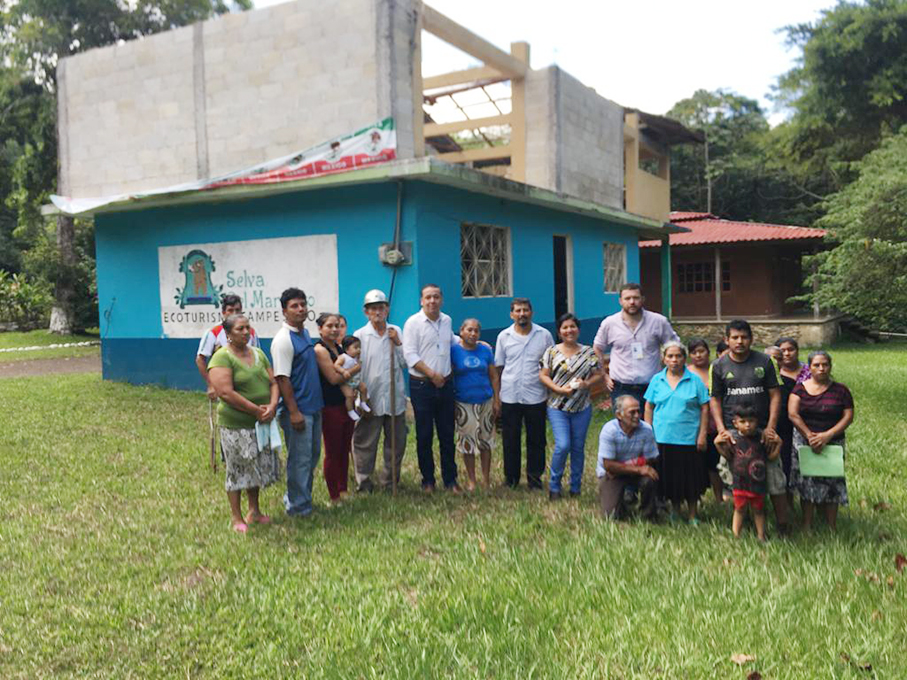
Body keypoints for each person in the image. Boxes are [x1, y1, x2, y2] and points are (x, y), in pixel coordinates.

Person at [710, 319, 791, 535]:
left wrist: (771, 427)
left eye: (744, 337)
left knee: (774, 477)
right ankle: (743, 522)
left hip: (762, 430)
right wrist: (721, 429)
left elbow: (776, 395)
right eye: (735, 337)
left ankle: (783, 524)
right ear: (726, 340)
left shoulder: (766, 362)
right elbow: (715, 399)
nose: (740, 341)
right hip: (734, 432)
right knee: (738, 478)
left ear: (751, 339)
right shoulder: (718, 366)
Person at [206, 313, 280, 533]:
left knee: (255, 465)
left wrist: (272, 405)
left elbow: (273, 382)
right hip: (236, 425)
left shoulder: (258, 353)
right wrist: (256, 410)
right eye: (240, 329)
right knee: (237, 468)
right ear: (228, 334)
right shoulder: (221, 357)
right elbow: (225, 393)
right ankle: (237, 517)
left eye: (248, 327)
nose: (246, 332)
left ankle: (254, 510)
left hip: (260, 422)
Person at [271, 288, 325, 517]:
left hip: (314, 407)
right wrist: (293, 412)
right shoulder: (283, 340)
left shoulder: (304, 333)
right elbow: (282, 378)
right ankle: (298, 506)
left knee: (311, 456)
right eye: (294, 306)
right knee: (300, 460)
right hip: (298, 410)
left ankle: (300, 497)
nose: (300, 309)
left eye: (303, 304)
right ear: (284, 311)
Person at [788, 350, 854, 532]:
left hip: (833, 442)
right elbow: (793, 414)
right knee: (807, 482)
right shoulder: (799, 389)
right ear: (809, 367)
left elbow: (848, 416)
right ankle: (807, 524)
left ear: (830, 367)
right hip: (804, 442)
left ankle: (831, 526)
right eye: (816, 365)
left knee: (832, 481)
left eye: (825, 364)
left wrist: (828, 435)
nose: (821, 368)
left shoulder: (841, 390)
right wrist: (810, 435)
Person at [643, 341, 709, 523]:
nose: (674, 360)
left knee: (691, 479)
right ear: (664, 359)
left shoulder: (695, 380)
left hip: (689, 438)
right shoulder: (657, 380)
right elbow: (649, 407)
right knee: (670, 477)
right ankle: (675, 511)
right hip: (663, 438)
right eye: (670, 356)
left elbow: (705, 408)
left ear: (684, 358)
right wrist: (649, 432)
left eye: (678, 356)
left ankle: (693, 514)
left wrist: (702, 434)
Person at [403, 284, 460, 492]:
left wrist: (476, 343)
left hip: (445, 385)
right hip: (422, 386)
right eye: (428, 297)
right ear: (421, 301)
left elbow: (452, 340)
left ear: (441, 299)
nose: (432, 301)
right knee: (425, 434)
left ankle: (450, 479)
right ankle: (428, 480)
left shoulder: (446, 320)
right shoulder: (413, 323)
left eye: (436, 297)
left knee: (447, 434)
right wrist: (431, 374)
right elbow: (410, 355)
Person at [539, 313, 601, 500]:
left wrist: (586, 384)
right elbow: (543, 375)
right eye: (565, 327)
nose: (569, 330)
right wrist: (558, 389)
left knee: (578, 448)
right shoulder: (551, 352)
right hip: (557, 406)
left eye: (572, 327)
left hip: (582, 407)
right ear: (559, 332)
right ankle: (554, 486)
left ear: (578, 330)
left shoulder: (588, 352)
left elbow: (599, 374)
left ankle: (575, 486)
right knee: (563, 445)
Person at [495, 297, 554, 489]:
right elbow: (499, 368)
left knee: (536, 440)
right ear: (511, 314)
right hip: (510, 395)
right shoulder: (504, 336)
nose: (522, 314)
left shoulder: (544, 335)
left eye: (525, 310)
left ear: (531, 313)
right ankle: (511, 479)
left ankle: (534, 479)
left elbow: (550, 366)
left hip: (536, 395)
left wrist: (550, 393)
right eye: (518, 310)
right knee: (510, 439)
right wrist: (497, 397)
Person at [352, 289, 407, 493]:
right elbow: (354, 368)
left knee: (396, 443)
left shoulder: (396, 331)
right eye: (373, 308)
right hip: (371, 398)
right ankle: (364, 482)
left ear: (387, 309)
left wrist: (398, 343)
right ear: (366, 312)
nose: (377, 312)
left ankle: (390, 481)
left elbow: (405, 363)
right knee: (365, 443)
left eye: (381, 308)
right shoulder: (360, 335)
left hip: (394, 397)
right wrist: (360, 397)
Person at [593, 283, 679, 411]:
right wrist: (603, 375)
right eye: (627, 298)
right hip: (621, 388)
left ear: (643, 299)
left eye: (636, 298)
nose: (632, 302)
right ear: (620, 301)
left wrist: (670, 371)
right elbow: (598, 348)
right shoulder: (609, 323)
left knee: (652, 422)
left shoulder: (658, 321)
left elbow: (674, 346)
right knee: (625, 423)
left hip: (653, 386)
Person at [715, 405, 781, 540]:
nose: (747, 425)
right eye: (743, 421)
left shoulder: (761, 438)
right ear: (735, 423)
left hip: (758, 483)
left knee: (758, 510)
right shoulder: (733, 439)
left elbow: (771, 457)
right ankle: (735, 536)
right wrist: (717, 444)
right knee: (739, 509)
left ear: (757, 421)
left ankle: (761, 536)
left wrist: (779, 444)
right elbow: (727, 456)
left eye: (751, 421)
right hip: (739, 483)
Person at [450, 318, 500, 490]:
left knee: (486, 442)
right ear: (461, 332)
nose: (472, 333)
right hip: (464, 402)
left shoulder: (485, 350)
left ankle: (486, 479)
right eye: (469, 330)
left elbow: (494, 376)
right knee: (467, 443)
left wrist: (496, 399)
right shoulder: (454, 351)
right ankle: (472, 480)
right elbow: (450, 376)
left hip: (485, 401)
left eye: (476, 331)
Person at [312, 313, 356, 505]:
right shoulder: (320, 350)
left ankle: (343, 488)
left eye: (337, 326)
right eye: (329, 326)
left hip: (345, 404)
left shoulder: (339, 348)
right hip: (330, 406)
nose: (334, 329)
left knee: (344, 448)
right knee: (333, 450)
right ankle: (334, 494)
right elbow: (333, 378)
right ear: (320, 329)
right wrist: (356, 370)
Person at [596, 395, 660, 520]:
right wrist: (639, 468)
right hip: (612, 474)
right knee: (611, 516)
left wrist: (631, 466)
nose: (637, 415)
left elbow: (652, 458)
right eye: (632, 412)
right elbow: (608, 465)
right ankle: (621, 505)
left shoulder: (646, 429)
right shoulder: (609, 431)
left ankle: (648, 514)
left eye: (638, 411)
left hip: (627, 471)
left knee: (650, 479)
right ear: (619, 415)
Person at [195, 293, 260, 400]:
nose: (234, 314)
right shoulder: (214, 332)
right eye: (230, 310)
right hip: (223, 384)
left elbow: (258, 359)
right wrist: (211, 384)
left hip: (246, 385)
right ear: (223, 313)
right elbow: (200, 359)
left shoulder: (250, 332)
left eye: (237, 310)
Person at [685, 337, 725, 502]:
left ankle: (719, 497)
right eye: (694, 352)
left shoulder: (716, 370)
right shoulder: (686, 373)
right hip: (693, 424)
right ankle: (696, 498)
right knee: (695, 464)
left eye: (701, 351)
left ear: (708, 352)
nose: (698, 355)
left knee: (714, 463)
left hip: (715, 424)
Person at [775, 336, 810, 490]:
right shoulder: (773, 373)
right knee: (785, 463)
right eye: (783, 350)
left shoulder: (810, 371)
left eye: (791, 349)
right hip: (782, 424)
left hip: (808, 422)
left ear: (797, 351)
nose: (787, 353)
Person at [335, 335, 370, 421]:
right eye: (356, 348)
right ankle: (350, 410)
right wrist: (343, 371)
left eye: (359, 347)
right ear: (347, 349)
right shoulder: (343, 357)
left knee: (364, 388)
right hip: (346, 382)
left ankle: (363, 402)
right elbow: (336, 365)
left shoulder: (356, 357)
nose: (358, 350)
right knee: (349, 396)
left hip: (355, 380)